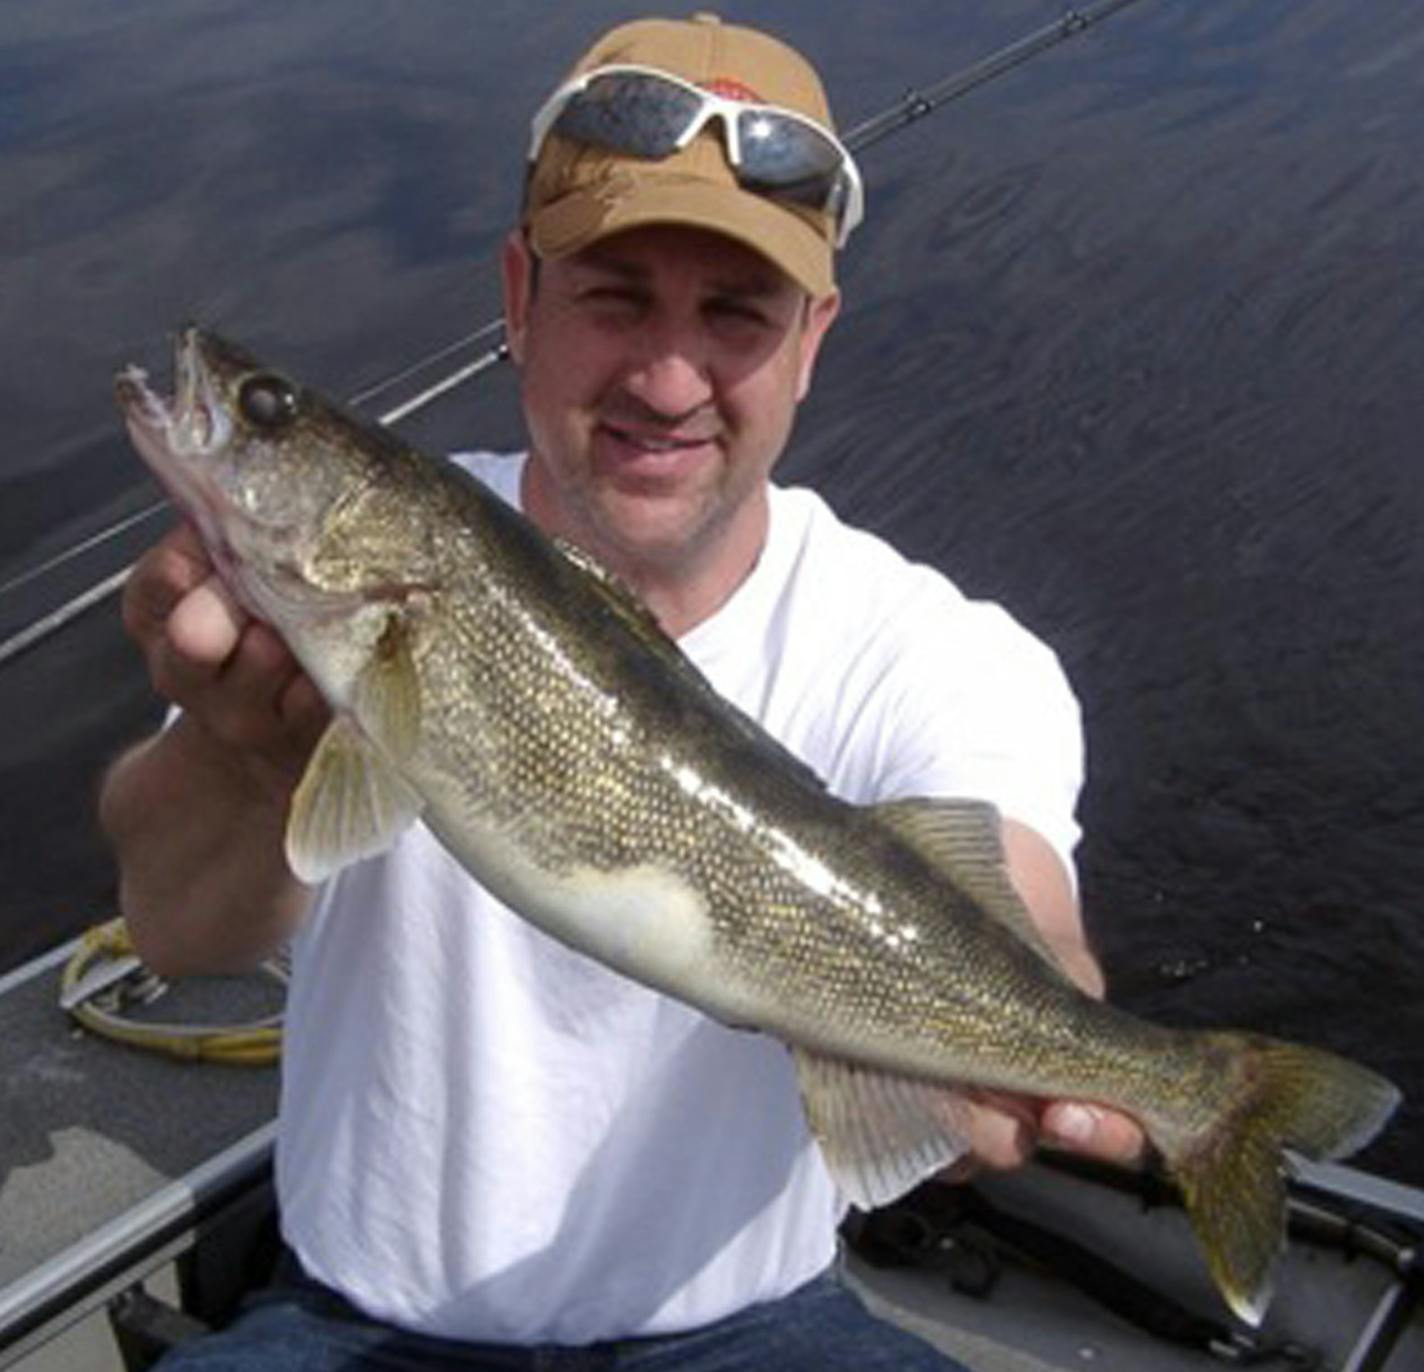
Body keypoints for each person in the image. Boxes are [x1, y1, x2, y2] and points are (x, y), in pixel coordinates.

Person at [100, 14, 1143, 1370]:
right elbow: (177, 935)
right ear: (519, 299)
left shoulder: (936, 649)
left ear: (813, 338)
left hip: (756, 1330)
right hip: (355, 1321)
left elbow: (1018, 901)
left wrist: (1052, 1046)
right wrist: (246, 763)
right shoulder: (315, 618)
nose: (666, 378)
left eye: (734, 314)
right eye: (614, 297)